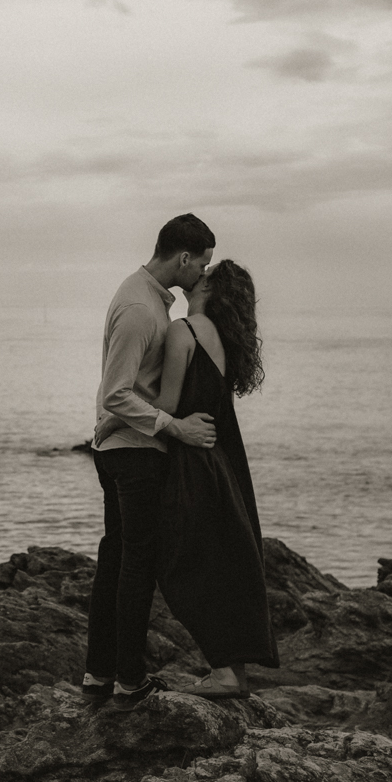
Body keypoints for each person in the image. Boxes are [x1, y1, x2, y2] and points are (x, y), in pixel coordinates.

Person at [93, 259, 276, 699]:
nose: (198, 275)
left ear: (210, 289)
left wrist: (113, 419)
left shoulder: (185, 329)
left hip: (191, 465)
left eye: (206, 273)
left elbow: (169, 403)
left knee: (184, 569)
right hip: (219, 463)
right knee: (217, 563)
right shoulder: (221, 337)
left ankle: (223, 673)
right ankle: (231, 671)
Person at [83, 213, 220, 712]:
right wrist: (176, 428)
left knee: (116, 561)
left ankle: (100, 676)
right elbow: (116, 393)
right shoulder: (141, 309)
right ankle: (128, 682)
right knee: (135, 567)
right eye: (201, 263)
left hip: (121, 448)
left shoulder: (147, 298)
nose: (203, 272)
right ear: (183, 257)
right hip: (135, 456)